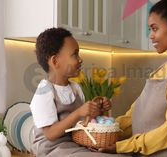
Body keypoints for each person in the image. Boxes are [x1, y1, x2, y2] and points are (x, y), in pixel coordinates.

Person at [99, 0, 167, 156]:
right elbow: (135, 116)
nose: (151, 36)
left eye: (154, 29)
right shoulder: (164, 67)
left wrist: (124, 146)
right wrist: (104, 129)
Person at [30, 28, 119, 157]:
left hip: (75, 145)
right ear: (55, 61)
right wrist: (78, 113)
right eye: (75, 54)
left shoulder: (75, 88)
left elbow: (84, 123)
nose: (80, 59)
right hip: (52, 149)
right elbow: (50, 134)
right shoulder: (44, 90)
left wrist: (100, 110)